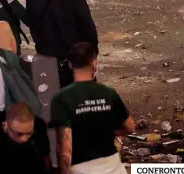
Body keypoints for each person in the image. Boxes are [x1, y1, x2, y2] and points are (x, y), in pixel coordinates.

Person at [51, 42, 135, 174]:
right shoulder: (108, 93)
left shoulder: (61, 99)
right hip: (113, 166)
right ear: (94, 63)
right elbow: (130, 127)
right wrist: (107, 133)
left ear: (70, 65)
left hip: (80, 168)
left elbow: (65, 149)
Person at [26, 0, 98, 88]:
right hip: (75, 62)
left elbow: (33, 25)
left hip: (46, 63)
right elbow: (87, 27)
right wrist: (92, 54)